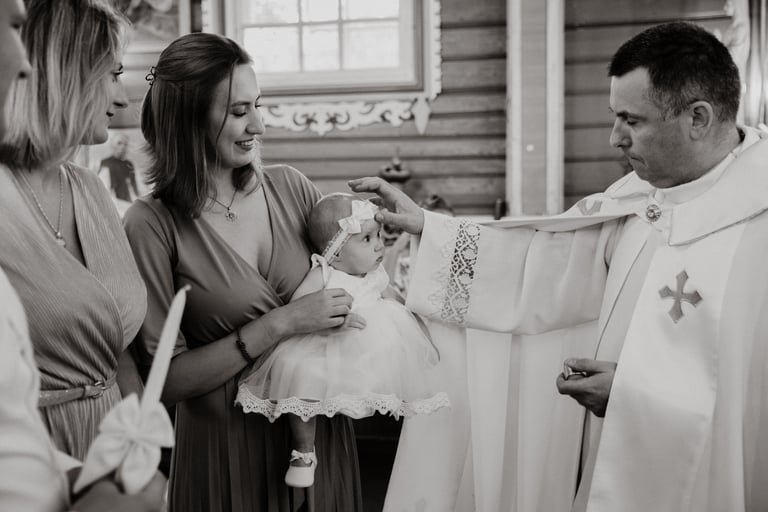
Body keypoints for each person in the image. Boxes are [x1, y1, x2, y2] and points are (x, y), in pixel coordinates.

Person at [352, 22, 768, 512]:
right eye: (614, 117)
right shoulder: (637, 199)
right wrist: (428, 226)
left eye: (632, 121)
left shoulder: (756, 227)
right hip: (610, 458)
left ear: (698, 117)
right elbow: (541, 269)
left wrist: (634, 396)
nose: (614, 138)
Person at [123, 32, 363, 511]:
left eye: (258, 105)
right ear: (188, 118)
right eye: (238, 111)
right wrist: (280, 323)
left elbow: (349, 283)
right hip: (224, 458)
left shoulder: (292, 189)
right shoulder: (150, 224)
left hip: (319, 446)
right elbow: (162, 382)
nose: (258, 125)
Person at [0, 1, 164, 510]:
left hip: (112, 446)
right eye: (113, 73)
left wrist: (141, 453)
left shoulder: (91, 189)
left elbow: (117, 353)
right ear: (64, 72)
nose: (123, 95)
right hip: (31, 455)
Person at [235, 193, 449, 488]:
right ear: (335, 253)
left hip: (371, 347)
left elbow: (400, 304)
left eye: (378, 236)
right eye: (367, 239)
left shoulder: (376, 275)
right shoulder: (323, 274)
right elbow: (300, 307)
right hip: (324, 343)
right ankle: (303, 452)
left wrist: (423, 338)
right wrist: (332, 319)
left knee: (402, 367)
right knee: (299, 373)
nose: (379, 245)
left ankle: (417, 446)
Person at [99, 132, 138, 202]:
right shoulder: (106, 163)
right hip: (113, 201)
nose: (123, 147)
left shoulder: (129, 164)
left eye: (125, 144)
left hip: (128, 201)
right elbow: (104, 188)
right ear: (112, 145)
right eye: (119, 143)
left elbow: (134, 186)